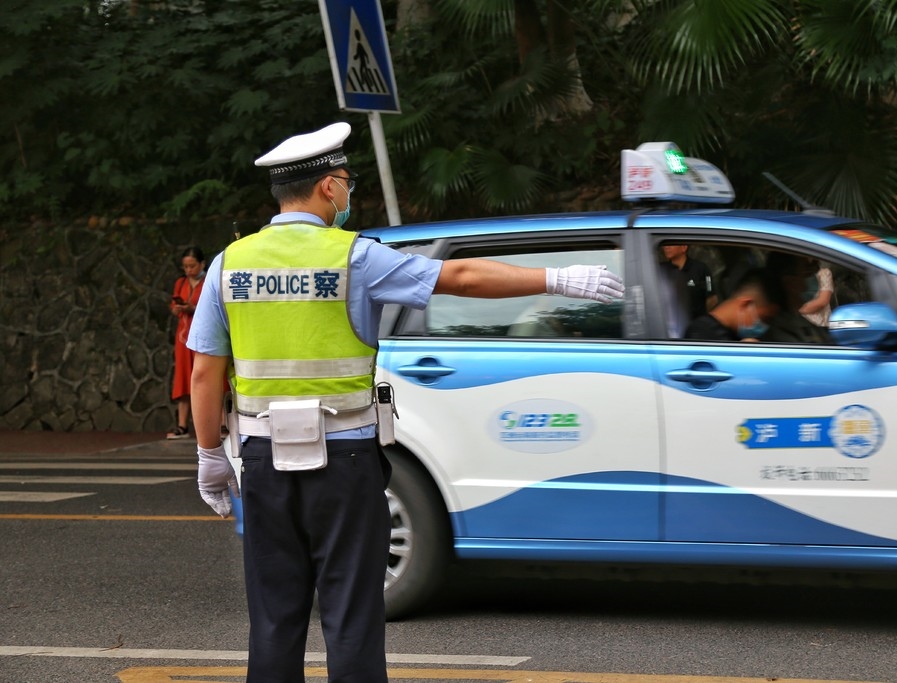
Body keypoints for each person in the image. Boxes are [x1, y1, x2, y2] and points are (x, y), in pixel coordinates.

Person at [186, 122, 624, 683]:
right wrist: (557, 278)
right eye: (346, 180)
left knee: (274, 616)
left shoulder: (230, 264)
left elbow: (204, 372)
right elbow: (460, 278)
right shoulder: (355, 257)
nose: (349, 192)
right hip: (344, 464)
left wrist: (209, 455)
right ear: (326, 187)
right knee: (351, 616)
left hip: (265, 463)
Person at [166, 246, 206, 439]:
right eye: (186, 266)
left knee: (206, 376)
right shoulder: (180, 282)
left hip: (202, 336)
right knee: (183, 378)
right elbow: (174, 306)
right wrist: (178, 308)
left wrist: (193, 308)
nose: (189, 270)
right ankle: (182, 424)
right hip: (183, 336)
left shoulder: (207, 281)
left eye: (192, 266)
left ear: (202, 264)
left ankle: (217, 423)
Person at [683, 267, 783, 342]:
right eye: (764, 319)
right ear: (746, 304)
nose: (764, 327)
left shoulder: (732, 334)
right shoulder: (703, 333)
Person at [762, 252, 832, 344]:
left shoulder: (797, 320)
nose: (806, 284)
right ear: (790, 282)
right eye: (805, 273)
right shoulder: (782, 332)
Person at [659, 241, 716, 338]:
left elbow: (712, 299)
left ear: (683, 247)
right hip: (668, 331)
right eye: (665, 245)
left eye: (671, 244)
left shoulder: (701, 269)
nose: (666, 247)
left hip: (696, 331)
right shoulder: (661, 270)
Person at [799, 261, 834, 327]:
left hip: (818, 327)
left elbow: (822, 302)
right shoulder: (791, 277)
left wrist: (797, 312)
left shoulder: (824, 273)